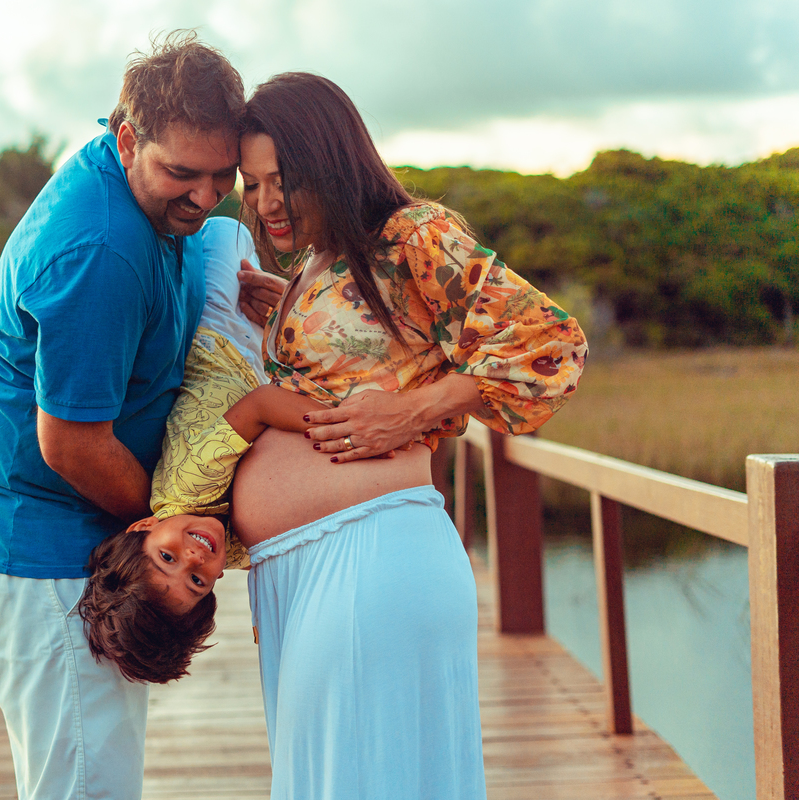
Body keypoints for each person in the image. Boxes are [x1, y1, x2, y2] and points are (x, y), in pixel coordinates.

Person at [229, 73, 588, 799]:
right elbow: (362, 357)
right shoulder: (315, 264)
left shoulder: (409, 235)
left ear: (329, 161)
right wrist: (281, 314)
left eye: (283, 180)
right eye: (252, 182)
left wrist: (415, 411)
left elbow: (550, 343)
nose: (266, 201)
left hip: (371, 560)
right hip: (309, 572)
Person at [0, 33, 244, 800]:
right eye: (182, 174)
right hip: (44, 548)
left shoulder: (137, 193)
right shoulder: (102, 254)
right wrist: (176, 523)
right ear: (127, 138)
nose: (206, 197)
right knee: (85, 783)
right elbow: (73, 447)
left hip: (77, 534)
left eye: (222, 176)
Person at [80, 217, 325, 685]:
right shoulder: (235, 551)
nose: (194, 560)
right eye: (197, 581)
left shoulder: (188, 482)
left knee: (224, 230)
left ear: (145, 526)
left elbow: (260, 407)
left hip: (218, 335)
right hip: (257, 361)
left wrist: (340, 424)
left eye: (166, 558)